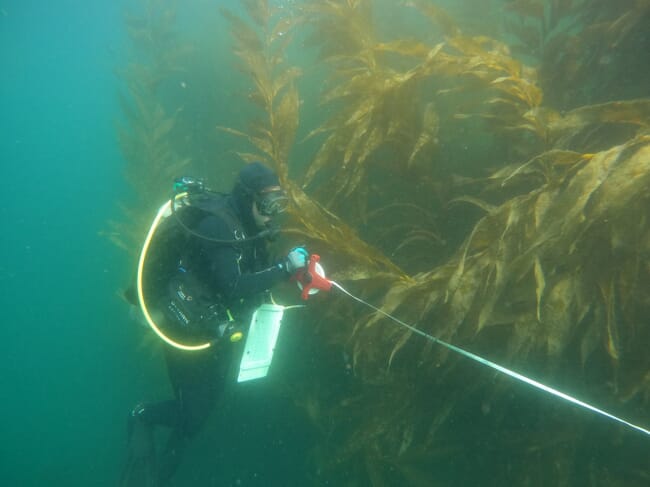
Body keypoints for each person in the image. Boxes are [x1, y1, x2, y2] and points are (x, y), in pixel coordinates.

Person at [120, 162, 309, 486]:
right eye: (267, 205)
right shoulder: (219, 227)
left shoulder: (247, 224)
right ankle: (142, 416)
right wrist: (283, 267)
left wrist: (292, 274)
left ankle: (166, 461)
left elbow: (253, 277)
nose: (272, 213)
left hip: (215, 329)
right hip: (184, 330)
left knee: (202, 409)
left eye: (279, 203)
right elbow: (233, 285)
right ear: (247, 198)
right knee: (191, 412)